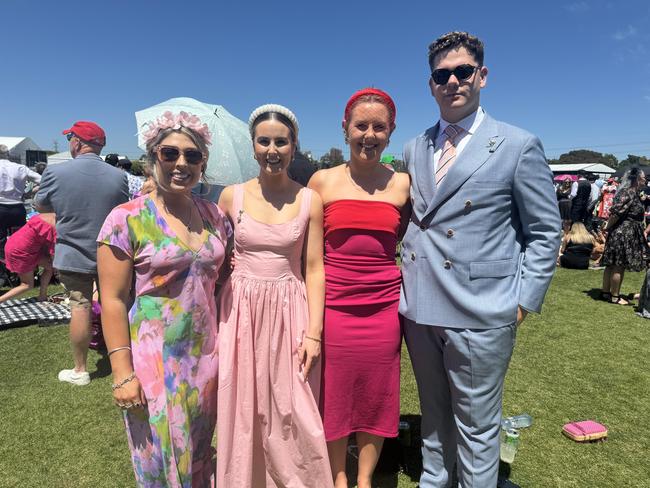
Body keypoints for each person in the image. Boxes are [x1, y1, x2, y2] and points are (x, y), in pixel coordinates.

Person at [400, 32, 561, 487]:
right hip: (420, 307)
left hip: (482, 308)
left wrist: (523, 300)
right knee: (434, 416)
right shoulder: (414, 148)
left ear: (482, 76)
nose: (452, 81)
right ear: (430, 84)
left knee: (476, 427)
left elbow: (546, 231)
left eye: (463, 71)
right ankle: (435, 481)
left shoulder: (517, 144)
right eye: (441, 74)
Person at [97, 110, 231, 487]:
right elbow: (112, 300)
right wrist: (122, 373)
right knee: (160, 462)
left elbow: (222, 279)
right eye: (170, 153)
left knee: (201, 454)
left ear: (203, 163)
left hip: (206, 359)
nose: (181, 163)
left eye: (193, 155)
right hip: (153, 363)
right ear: (153, 156)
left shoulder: (214, 216)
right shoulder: (126, 219)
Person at [216, 104, 332, 487]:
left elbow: (314, 268)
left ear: (293, 146)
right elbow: (213, 260)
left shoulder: (308, 200)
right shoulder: (231, 197)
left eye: (280, 142)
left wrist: (314, 333)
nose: (272, 149)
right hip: (240, 312)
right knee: (243, 406)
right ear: (253, 146)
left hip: (289, 309)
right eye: (264, 141)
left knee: (292, 407)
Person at [308, 88, 410, 488]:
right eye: (361, 125)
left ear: (391, 132)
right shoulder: (321, 181)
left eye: (379, 127)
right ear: (345, 129)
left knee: (376, 393)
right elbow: (305, 249)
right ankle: (337, 478)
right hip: (333, 305)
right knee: (334, 393)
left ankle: (364, 478)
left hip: (384, 306)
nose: (369, 135)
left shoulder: (402, 184)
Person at [34, 121, 128, 386]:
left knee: (80, 307)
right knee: (116, 304)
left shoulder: (56, 172)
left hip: (72, 253)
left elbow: (40, 204)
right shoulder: (118, 176)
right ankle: (125, 359)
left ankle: (80, 369)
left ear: (76, 141)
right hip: (111, 252)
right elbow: (123, 210)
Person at [601, 167, 647, 305]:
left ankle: (606, 293)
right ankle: (615, 296)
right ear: (637, 179)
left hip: (623, 232)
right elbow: (616, 213)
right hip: (623, 233)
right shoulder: (629, 192)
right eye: (644, 177)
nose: (645, 179)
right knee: (617, 265)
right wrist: (607, 227)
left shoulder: (632, 193)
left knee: (612, 264)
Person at [0, 213, 56, 303]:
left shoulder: (45, 216)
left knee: (50, 267)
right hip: (20, 252)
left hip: (17, 244)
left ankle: (42, 296)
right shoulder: (55, 228)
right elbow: (54, 255)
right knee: (26, 285)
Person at [0, 144, 41, 251]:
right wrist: (28, 193)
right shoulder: (20, 168)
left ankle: (4, 265)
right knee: (19, 242)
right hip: (17, 208)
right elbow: (43, 180)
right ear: (7, 154)